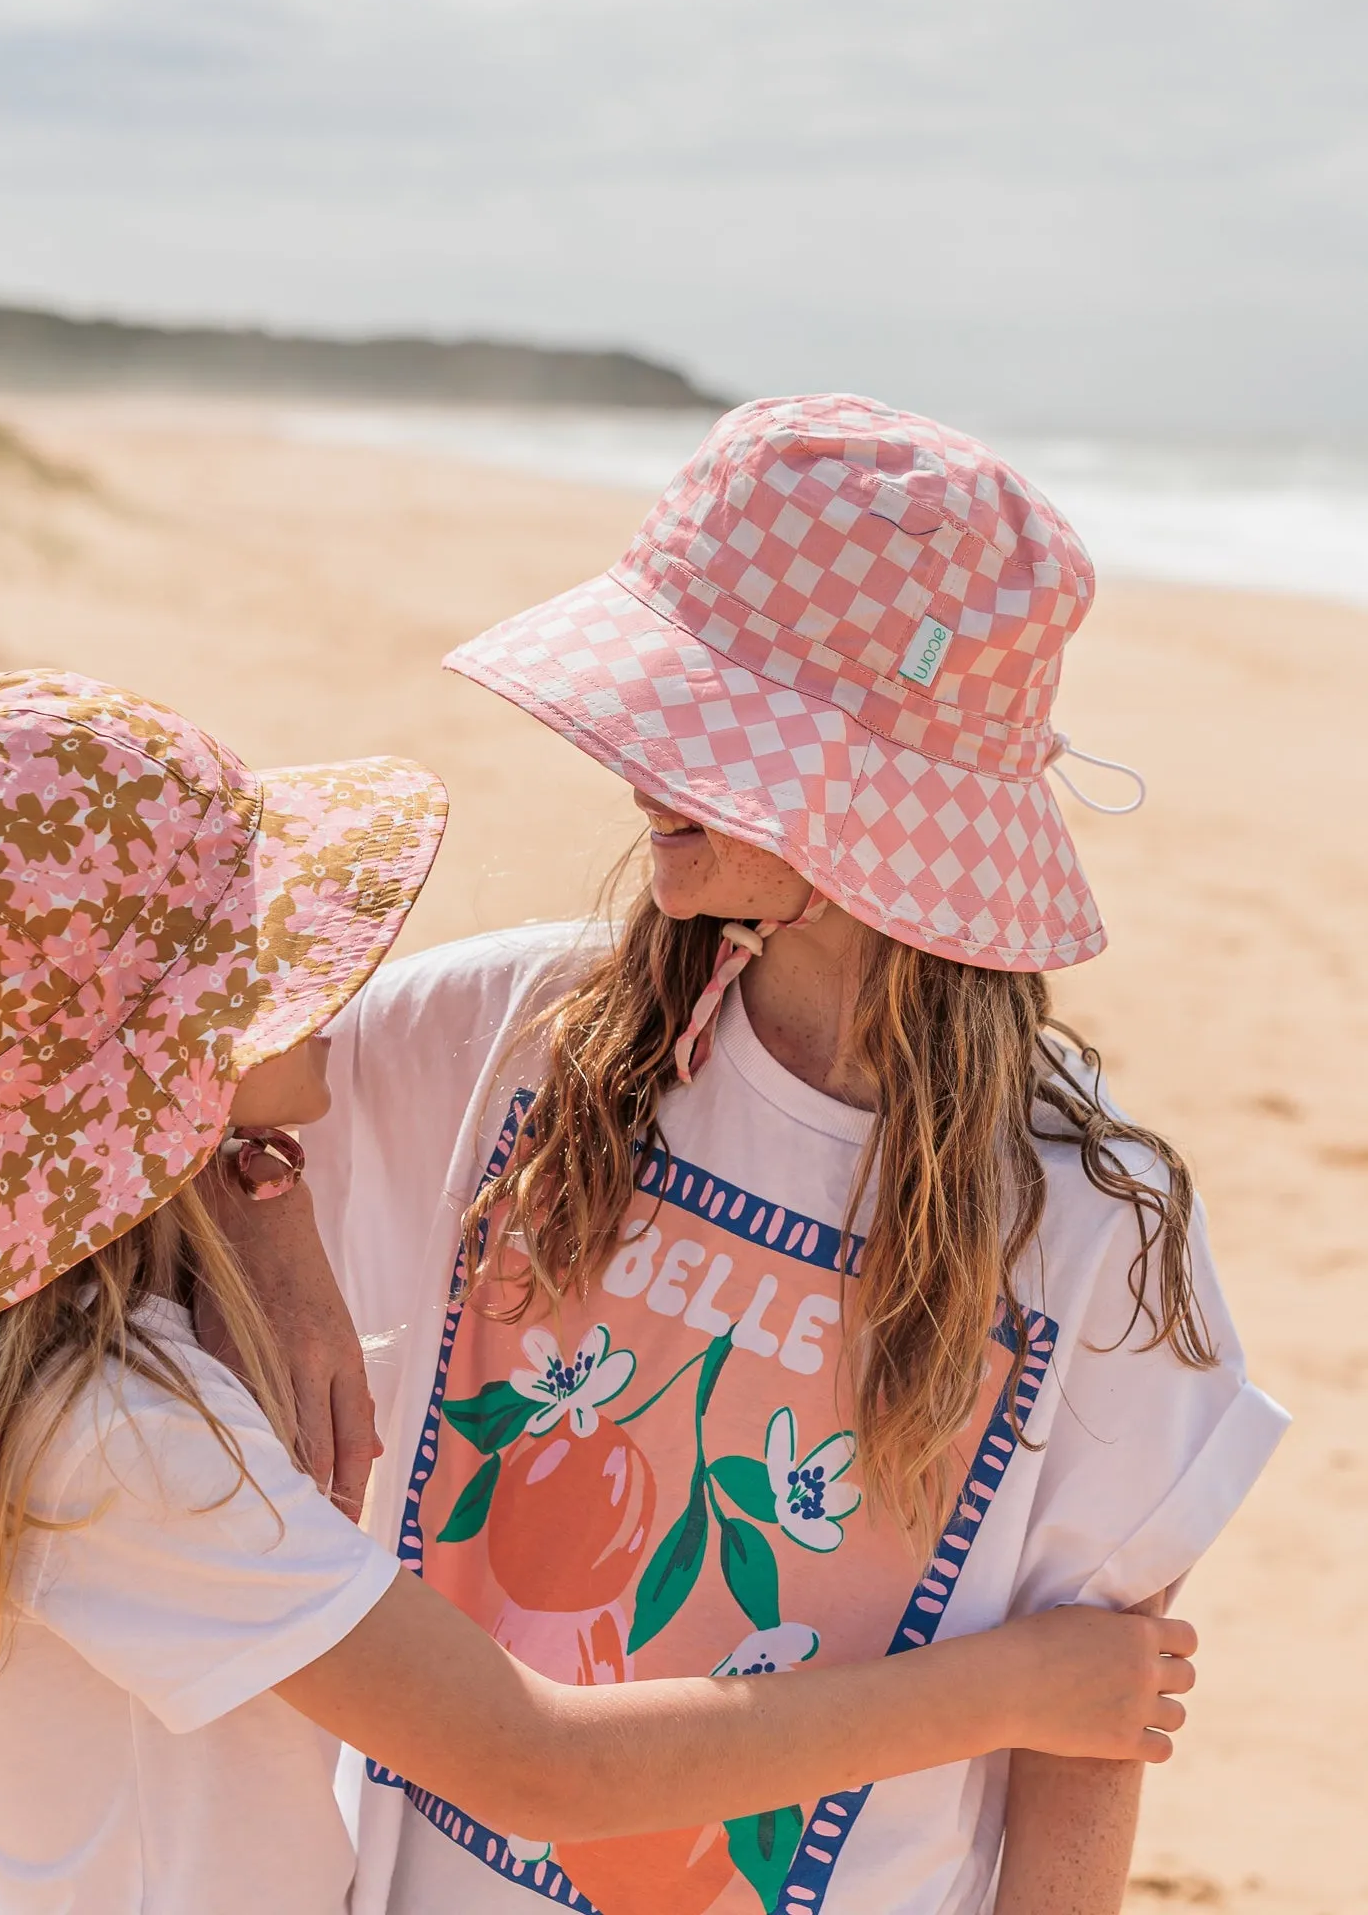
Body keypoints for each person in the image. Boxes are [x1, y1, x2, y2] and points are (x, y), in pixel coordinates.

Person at [0, 669, 1191, 1915]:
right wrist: (1010, 1692)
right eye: (266, 963)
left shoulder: (59, 1361)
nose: (327, 984)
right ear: (169, 1077)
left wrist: (252, 1181)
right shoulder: (133, 1445)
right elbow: (533, 1760)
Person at [292, 399, 1290, 1915]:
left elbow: (1089, 1722)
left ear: (870, 813)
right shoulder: (522, 1030)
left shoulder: (1091, 1223)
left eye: (700, 728)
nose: (637, 768)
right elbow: (195, 1107)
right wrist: (284, 1263)